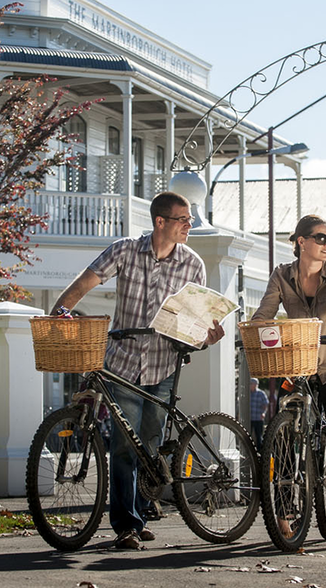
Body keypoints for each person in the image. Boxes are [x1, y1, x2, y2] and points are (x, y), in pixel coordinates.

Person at [50, 191, 224, 550]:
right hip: (124, 360)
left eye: (189, 219)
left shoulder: (192, 263)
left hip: (164, 362)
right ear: (160, 222)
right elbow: (87, 281)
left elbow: (198, 314)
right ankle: (126, 525)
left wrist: (209, 333)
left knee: (150, 444)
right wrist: (58, 312)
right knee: (126, 448)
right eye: (183, 219)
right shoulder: (125, 250)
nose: (189, 225)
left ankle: (143, 511)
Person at [252, 214, 326, 548]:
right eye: (320, 238)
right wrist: (254, 330)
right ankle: (285, 512)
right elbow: (266, 311)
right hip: (299, 364)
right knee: (286, 435)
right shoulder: (281, 276)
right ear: (301, 242)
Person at [249, 377, 269, 449]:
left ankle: (259, 451)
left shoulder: (261, 393)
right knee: (248, 436)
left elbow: (265, 404)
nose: (250, 385)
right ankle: (250, 451)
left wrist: (263, 413)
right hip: (250, 418)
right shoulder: (248, 394)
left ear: (256, 385)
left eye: (251, 384)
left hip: (258, 418)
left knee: (259, 436)